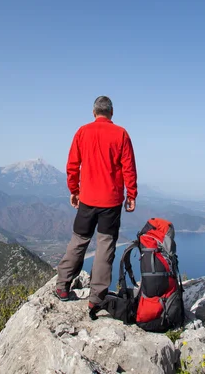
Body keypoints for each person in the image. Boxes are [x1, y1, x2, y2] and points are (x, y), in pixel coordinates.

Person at [55, 96, 138, 312]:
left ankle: (62, 286)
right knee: (105, 246)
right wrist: (132, 194)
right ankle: (96, 298)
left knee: (79, 240)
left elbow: (72, 165)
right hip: (110, 202)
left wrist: (74, 191)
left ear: (94, 113)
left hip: (87, 199)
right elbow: (128, 167)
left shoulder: (82, 132)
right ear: (111, 113)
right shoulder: (121, 134)